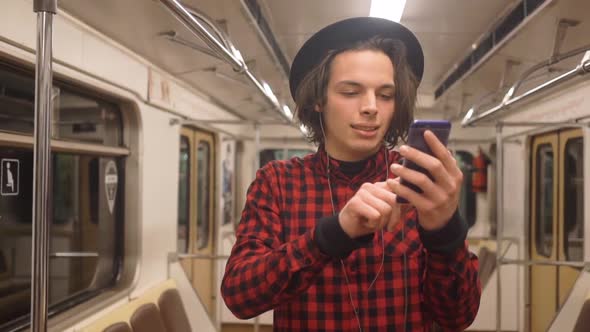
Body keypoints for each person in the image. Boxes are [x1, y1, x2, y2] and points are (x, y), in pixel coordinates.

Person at [221, 17, 481, 331]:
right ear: (319, 100)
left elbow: (458, 316)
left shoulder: (418, 183)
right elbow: (239, 296)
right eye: (351, 92)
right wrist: (330, 235)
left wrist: (444, 233)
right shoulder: (277, 182)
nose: (371, 107)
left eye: (385, 95)